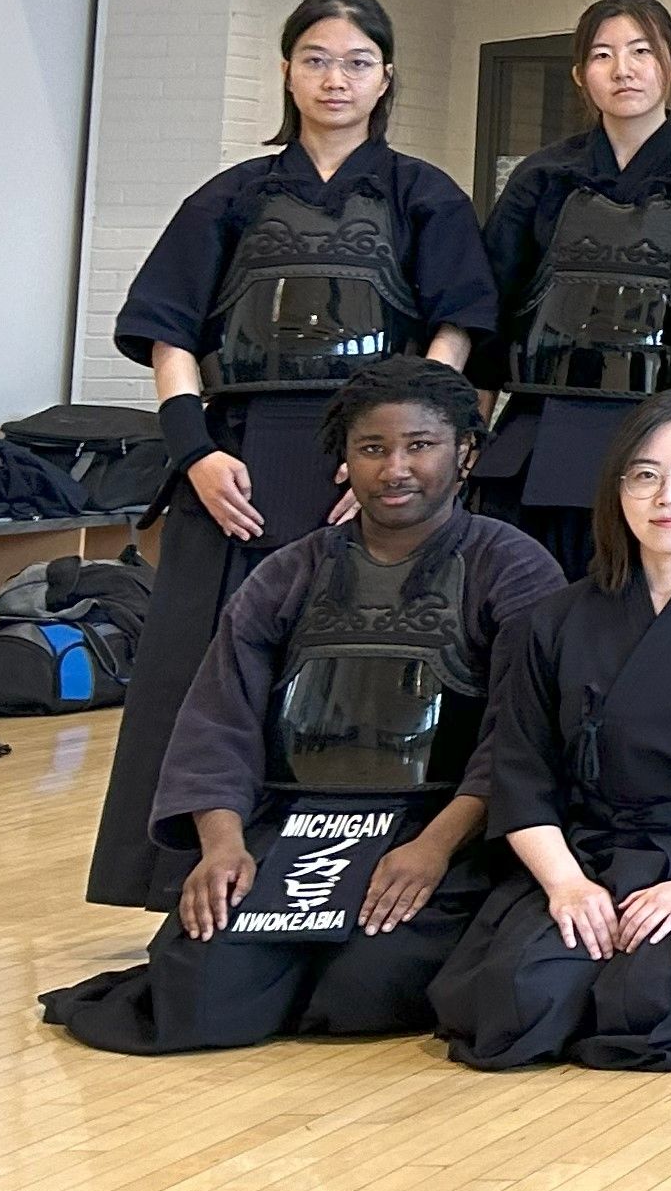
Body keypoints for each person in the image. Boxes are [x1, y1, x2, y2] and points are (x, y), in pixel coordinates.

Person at [90, 0, 497, 911]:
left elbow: (455, 331)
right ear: (286, 70)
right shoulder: (231, 193)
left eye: (356, 61)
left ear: (386, 75)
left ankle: (343, 875)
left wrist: (399, 461)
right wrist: (193, 452)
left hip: (370, 463)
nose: (335, 77)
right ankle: (185, 875)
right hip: (235, 458)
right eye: (316, 57)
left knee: (357, 663)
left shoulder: (423, 193)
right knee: (206, 672)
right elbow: (170, 334)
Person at [43, 361, 562, 1054]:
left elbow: (518, 735)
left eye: (420, 445)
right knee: (197, 1000)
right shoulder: (288, 570)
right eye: (372, 448)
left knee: (365, 990)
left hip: (439, 829)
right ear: (344, 461)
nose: (395, 468)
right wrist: (222, 845)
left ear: (465, 451)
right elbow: (217, 718)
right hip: (293, 825)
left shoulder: (513, 566)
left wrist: (432, 849)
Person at [430, 387, 671, 1071]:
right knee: (517, 1006)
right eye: (645, 474)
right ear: (617, 489)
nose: (668, 495)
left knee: (650, 1007)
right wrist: (566, 885)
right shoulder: (554, 621)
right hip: (588, 854)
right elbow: (522, 773)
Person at [474, 0, 671, 579]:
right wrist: (469, 426)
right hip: (543, 418)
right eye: (603, 55)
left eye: (640, 52)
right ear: (580, 75)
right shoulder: (541, 177)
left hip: (662, 421)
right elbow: (488, 309)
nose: (623, 69)